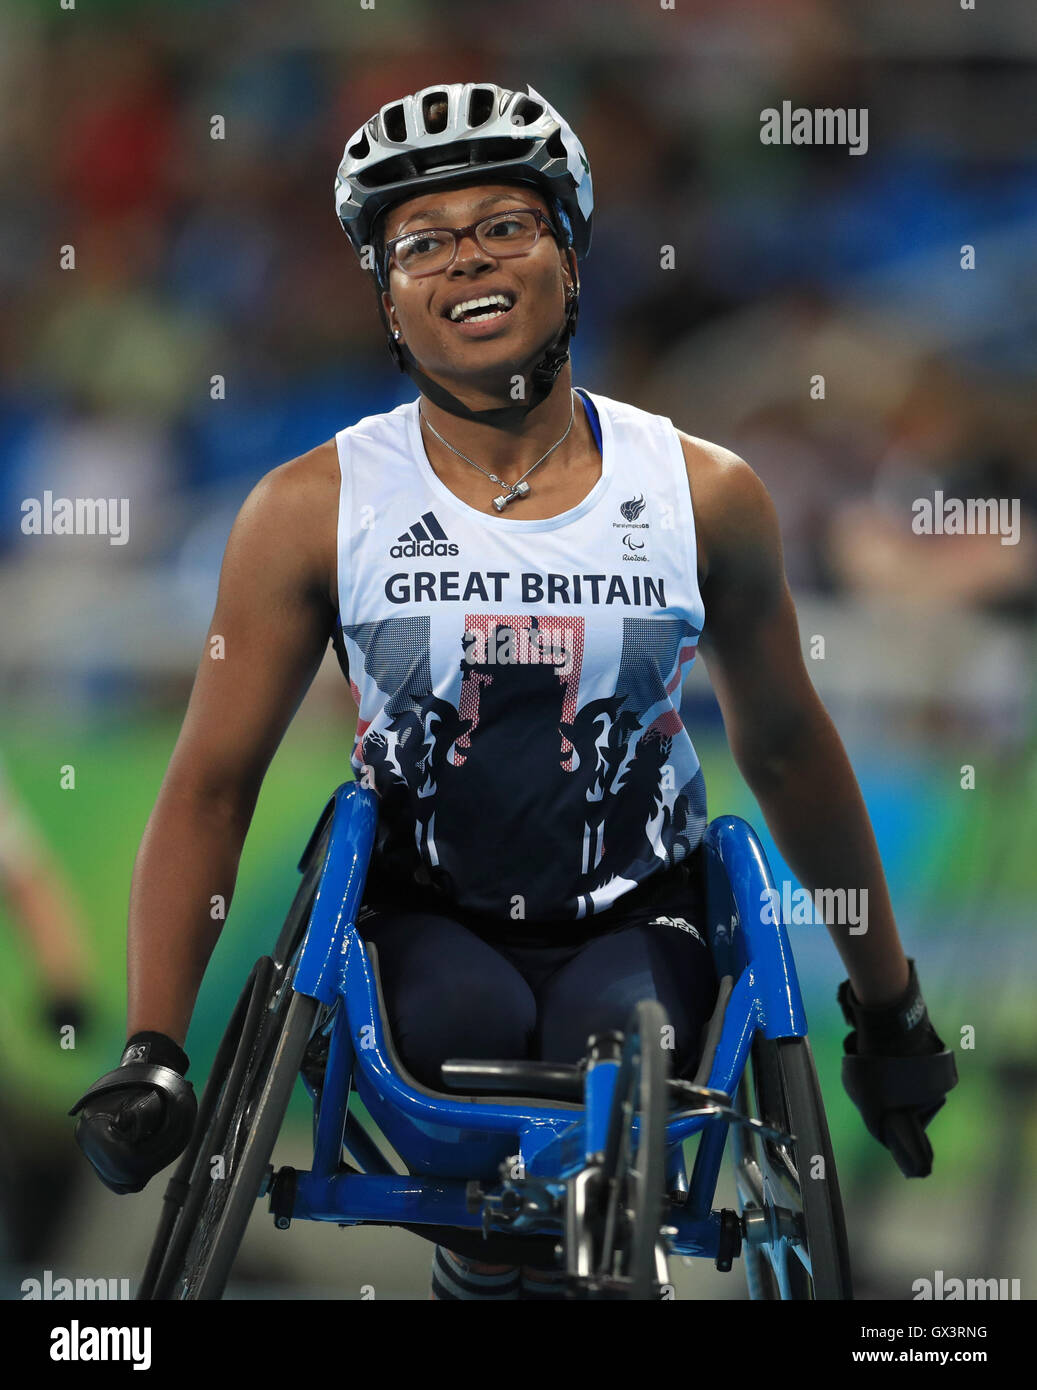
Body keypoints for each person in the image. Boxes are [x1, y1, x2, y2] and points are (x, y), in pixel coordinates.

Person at [70, 82, 956, 1301]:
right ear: (385, 293)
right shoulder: (309, 509)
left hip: (639, 914)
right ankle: (492, 1272)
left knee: (624, 1066)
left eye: (504, 224)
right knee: (466, 1067)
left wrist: (889, 1006)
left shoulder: (704, 494)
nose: (465, 261)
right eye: (420, 243)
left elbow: (792, 752)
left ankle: (585, 1264)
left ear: (569, 250)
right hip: (425, 919)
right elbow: (214, 784)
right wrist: (154, 1048)